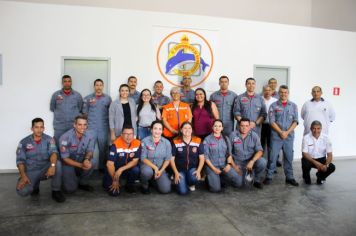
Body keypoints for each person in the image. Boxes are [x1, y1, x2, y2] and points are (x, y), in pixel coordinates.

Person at [16, 118, 65, 202]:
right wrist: (23, 176)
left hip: (45, 170)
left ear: (44, 128)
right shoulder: (24, 142)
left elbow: (53, 153)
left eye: (41, 127)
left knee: (58, 164)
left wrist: (52, 166)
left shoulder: (49, 139)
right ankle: (34, 185)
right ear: (32, 128)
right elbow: (20, 161)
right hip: (31, 170)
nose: (39, 130)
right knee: (22, 191)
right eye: (36, 127)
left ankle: (56, 191)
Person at [264, 85, 299, 186]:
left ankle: (290, 177)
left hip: (289, 136)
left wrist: (286, 132)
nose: (283, 94)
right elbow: (271, 121)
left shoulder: (293, 106)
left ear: (288, 93)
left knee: (288, 157)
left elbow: (296, 121)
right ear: (279, 93)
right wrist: (280, 132)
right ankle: (269, 176)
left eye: (285, 92)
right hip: (276, 136)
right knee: (272, 157)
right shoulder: (273, 106)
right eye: (281, 92)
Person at [59, 115, 96, 193]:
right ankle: (68, 179)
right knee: (70, 189)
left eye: (85, 125)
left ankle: (83, 183)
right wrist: (81, 165)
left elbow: (90, 150)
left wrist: (86, 160)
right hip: (68, 163)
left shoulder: (91, 135)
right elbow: (65, 158)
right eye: (79, 124)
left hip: (81, 159)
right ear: (74, 125)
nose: (83, 127)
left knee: (93, 161)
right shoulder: (65, 137)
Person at [82, 79, 112, 171]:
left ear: (103, 86)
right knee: (88, 148)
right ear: (94, 86)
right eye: (97, 85)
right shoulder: (87, 98)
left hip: (103, 127)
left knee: (103, 149)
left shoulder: (108, 98)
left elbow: (111, 113)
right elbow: (84, 114)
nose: (99, 87)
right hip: (91, 128)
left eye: (100, 85)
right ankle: (86, 167)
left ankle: (102, 168)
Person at [204, 119, 241, 192]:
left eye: (219, 126)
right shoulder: (207, 139)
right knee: (215, 189)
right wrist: (214, 169)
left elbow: (229, 154)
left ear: (222, 128)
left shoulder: (226, 139)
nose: (217, 128)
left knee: (238, 182)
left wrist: (229, 164)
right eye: (215, 126)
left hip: (223, 165)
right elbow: (206, 157)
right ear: (212, 127)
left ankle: (220, 177)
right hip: (212, 166)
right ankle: (209, 179)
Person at [103, 125, 141, 196]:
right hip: (114, 170)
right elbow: (109, 164)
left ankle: (129, 185)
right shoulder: (115, 144)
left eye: (131, 134)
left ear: (133, 135)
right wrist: (115, 180)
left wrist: (121, 169)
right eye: (126, 134)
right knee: (114, 193)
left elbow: (135, 161)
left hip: (125, 169)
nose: (128, 136)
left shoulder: (137, 143)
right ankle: (110, 180)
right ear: (121, 135)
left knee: (136, 169)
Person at [229, 118, 266, 189]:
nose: (244, 128)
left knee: (262, 162)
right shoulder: (233, 135)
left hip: (250, 162)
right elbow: (228, 153)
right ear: (239, 126)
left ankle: (257, 180)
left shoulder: (254, 135)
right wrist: (234, 166)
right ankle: (246, 174)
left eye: (246, 126)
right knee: (239, 184)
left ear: (249, 126)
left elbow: (260, 151)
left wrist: (252, 161)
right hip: (238, 163)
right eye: (242, 125)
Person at [170, 122, 205, 195]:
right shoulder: (175, 141)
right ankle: (182, 182)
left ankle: (190, 183)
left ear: (192, 130)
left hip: (192, 169)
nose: (187, 130)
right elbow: (171, 159)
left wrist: (198, 171)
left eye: (189, 128)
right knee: (183, 192)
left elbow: (202, 158)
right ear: (181, 130)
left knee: (194, 178)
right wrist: (176, 173)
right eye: (185, 128)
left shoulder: (198, 140)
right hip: (179, 170)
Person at [140, 121, 172, 194]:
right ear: (151, 130)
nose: (157, 131)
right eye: (155, 128)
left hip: (160, 168)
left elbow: (167, 159)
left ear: (162, 131)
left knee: (166, 190)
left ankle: (153, 180)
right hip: (147, 166)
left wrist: (161, 170)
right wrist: (155, 168)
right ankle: (144, 185)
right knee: (147, 172)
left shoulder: (167, 143)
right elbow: (143, 158)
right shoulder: (145, 141)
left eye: (160, 129)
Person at [50, 75, 83, 145]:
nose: (67, 83)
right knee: (58, 145)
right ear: (62, 83)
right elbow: (52, 108)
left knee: (73, 145)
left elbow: (80, 109)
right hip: (59, 126)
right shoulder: (56, 95)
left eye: (69, 81)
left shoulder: (77, 95)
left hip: (73, 126)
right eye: (65, 81)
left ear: (71, 83)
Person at [301, 120, 336, 185]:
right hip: (309, 159)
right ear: (311, 128)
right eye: (314, 128)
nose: (316, 131)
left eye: (318, 128)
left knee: (332, 167)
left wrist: (326, 165)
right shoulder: (306, 138)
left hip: (321, 159)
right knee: (305, 164)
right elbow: (305, 153)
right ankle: (306, 177)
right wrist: (316, 163)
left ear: (321, 129)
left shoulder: (326, 138)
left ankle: (320, 176)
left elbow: (329, 155)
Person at [261, 85, 278, 161]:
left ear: (271, 91)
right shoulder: (259, 99)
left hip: (272, 126)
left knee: (272, 145)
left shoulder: (275, 101)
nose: (267, 92)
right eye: (265, 90)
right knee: (261, 145)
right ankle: (260, 163)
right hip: (261, 125)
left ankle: (272, 164)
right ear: (263, 91)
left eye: (269, 90)